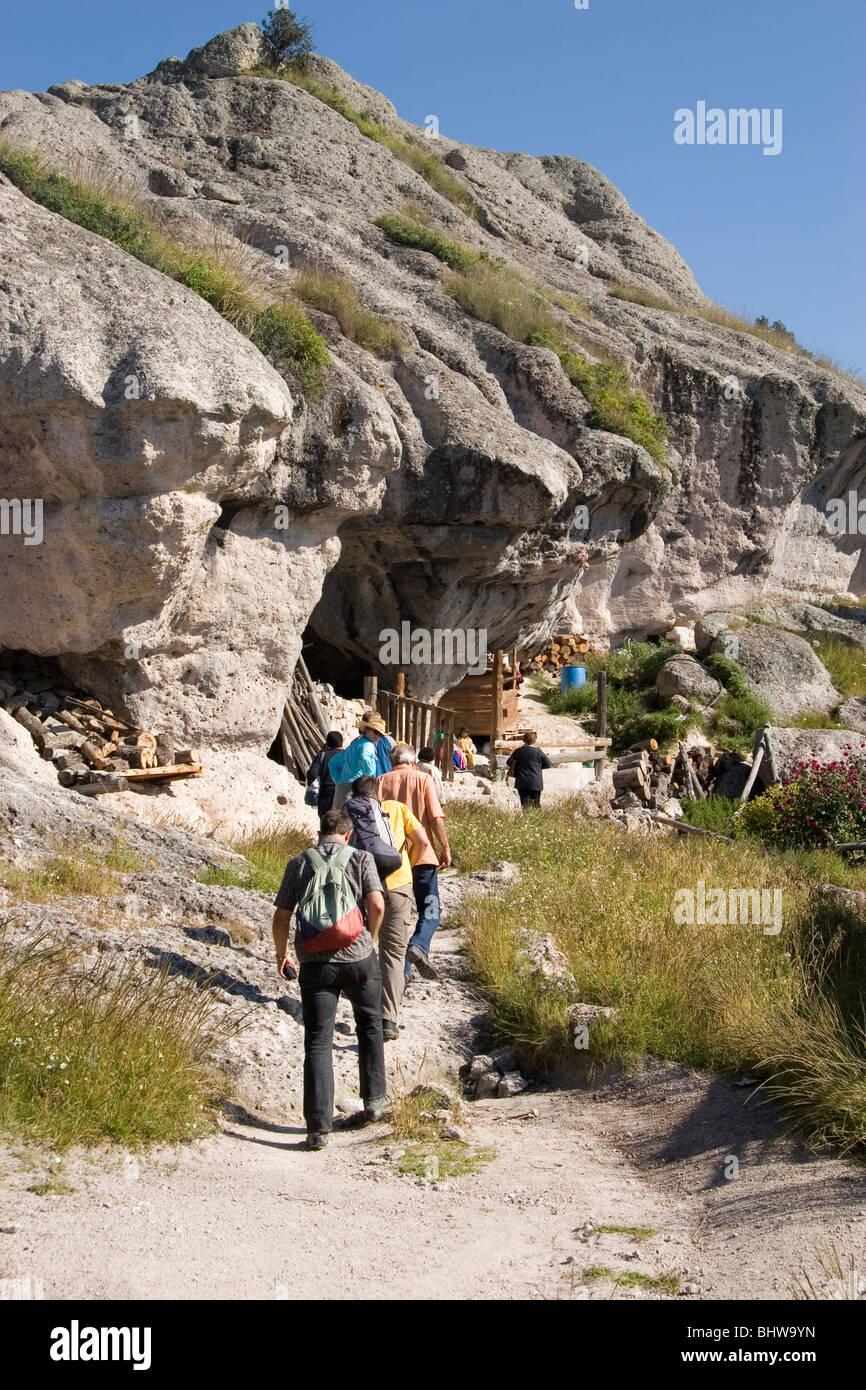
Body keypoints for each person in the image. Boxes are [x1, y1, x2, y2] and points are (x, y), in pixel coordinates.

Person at [272, 809, 386, 1151]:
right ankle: (374, 1103)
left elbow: (281, 915)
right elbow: (377, 904)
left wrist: (282, 955)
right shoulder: (361, 859)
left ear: (318, 833)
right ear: (347, 835)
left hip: (314, 962)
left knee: (318, 1041)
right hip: (358, 956)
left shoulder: (299, 864)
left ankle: (318, 1129)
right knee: (369, 1025)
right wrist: (371, 938)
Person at [346, 775, 429, 1040]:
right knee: (393, 953)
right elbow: (423, 843)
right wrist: (407, 867)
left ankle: (363, 1012)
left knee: (360, 948)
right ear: (378, 792)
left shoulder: (349, 813)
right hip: (397, 885)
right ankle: (388, 1020)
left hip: (361, 886)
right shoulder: (397, 808)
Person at [379, 744, 452, 983]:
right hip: (422, 855)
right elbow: (435, 816)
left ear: (391, 762)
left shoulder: (380, 781)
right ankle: (418, 946)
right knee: (430, 910)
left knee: (396, 917)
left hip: (391, 860)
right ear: (413, 762)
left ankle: (404, 971)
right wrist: (444, 847)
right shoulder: (423, 779)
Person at [328, 712, 390, 810]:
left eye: (381, 734)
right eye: (375, 732)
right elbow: (365, 757)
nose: (378, 736)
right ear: (366, 729)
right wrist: (368, 780)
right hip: (355, 790)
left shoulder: (354, 745)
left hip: (341, 789)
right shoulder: (368, 745)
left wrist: (339, 780)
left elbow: (333, 763)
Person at [506, 730, 552, 809]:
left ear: (524, 740)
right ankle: (538, 820)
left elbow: (509, 763)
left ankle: (527, 820)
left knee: (525, 805)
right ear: (534, 741)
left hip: (522, 781)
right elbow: (549, 764)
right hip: (535, 782)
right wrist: (537, 767)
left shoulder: (518, 751)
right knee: (536, 805)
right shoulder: (538, 751)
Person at [305, 730, 343, 816]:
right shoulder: (347, 756)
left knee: (326, 824)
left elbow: (312, 774)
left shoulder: (322, 756)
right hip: (343, 794)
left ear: (327, 743)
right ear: (341, 743)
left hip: (325, 795)